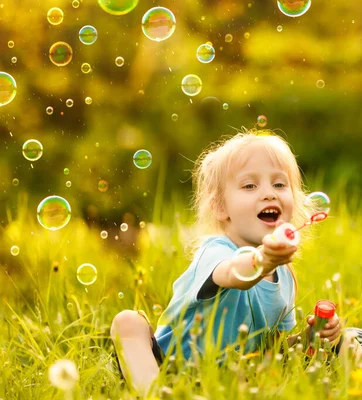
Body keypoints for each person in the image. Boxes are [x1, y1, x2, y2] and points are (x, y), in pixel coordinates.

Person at [110, 130, 343, 394]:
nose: (269, 194)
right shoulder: (215, 251)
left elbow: (273, 349)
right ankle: (154, 392)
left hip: (230, 380)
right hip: (168, 363)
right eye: (249, 186)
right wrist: (263, 260)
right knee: (128, 321)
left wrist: (309, 339)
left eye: (279, 184)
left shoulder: (285, 277)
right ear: (221, 207)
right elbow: (233, 274)